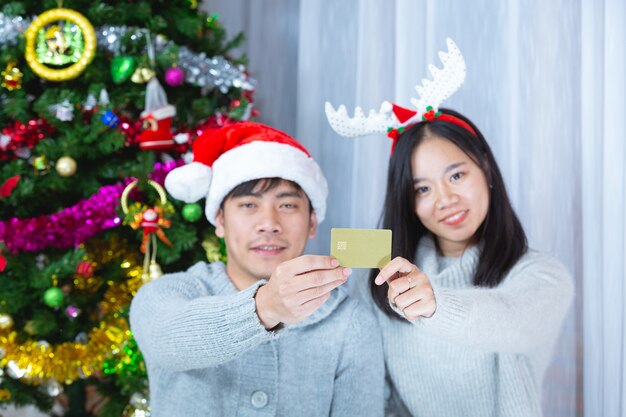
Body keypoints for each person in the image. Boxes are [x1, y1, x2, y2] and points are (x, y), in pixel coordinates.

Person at [325, 39, 574, 417]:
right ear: (407, 201)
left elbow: (510, 319)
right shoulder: (377, 281)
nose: (444, 199)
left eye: (456, 174)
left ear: (486, 170)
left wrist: (434, 304)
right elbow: (372, 393)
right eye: (422, 188)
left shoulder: (543, 276)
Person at [130, 122, 384, 417]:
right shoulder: (166, 294)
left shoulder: (350, 322)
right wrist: (265, 307)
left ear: (312, 222)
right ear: (220, 221)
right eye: (249, 205)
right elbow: (167, 341)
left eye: (288, 206)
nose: (269, 223)